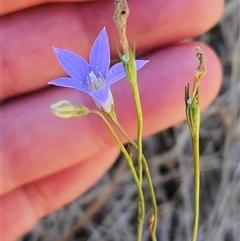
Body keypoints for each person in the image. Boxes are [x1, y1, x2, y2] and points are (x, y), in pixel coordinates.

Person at [1, 0, 224, 240]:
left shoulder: (115, 74)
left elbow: (124, 69)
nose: (97, 83)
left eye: (98, 83)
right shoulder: (93, 83)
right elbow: (73, 79)